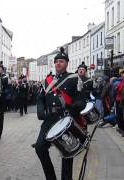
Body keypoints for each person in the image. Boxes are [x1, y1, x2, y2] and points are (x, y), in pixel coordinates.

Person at [35, 47, 86, 180]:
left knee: (67, 153)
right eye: (56, 61)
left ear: (67, 63)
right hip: (49, 119)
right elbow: (40, 98)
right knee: (40, 148)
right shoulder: (47, 80)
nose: (58, 63)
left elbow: (82, 102)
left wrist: (71, 108)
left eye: (61, 61)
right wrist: (40, 111)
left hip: (65, 119)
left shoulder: (75, 79)